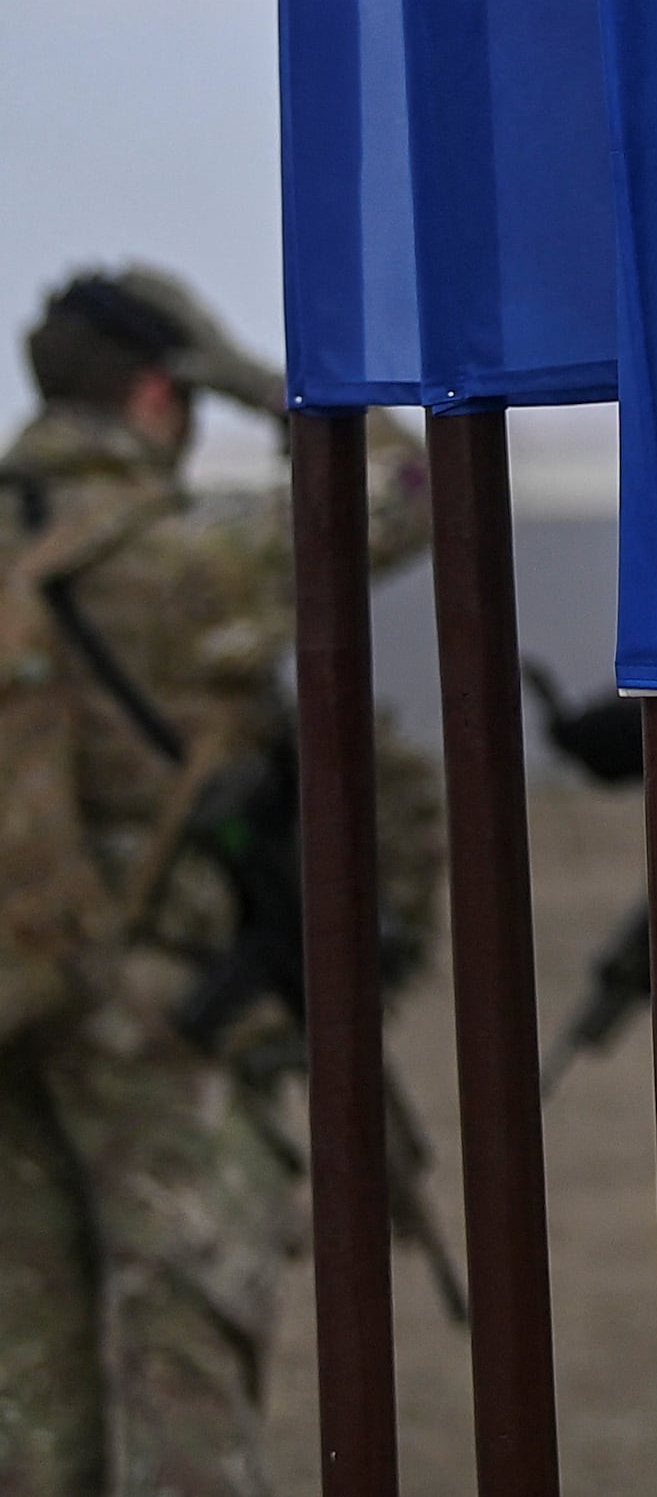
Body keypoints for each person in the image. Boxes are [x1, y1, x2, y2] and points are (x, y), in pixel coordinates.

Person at [0, 265, 430, 1497]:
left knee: (28, 1400)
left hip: (13, 1006)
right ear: (156, 395)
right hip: (150, 1017)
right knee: (182, 1360)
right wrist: (244, 371)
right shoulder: (184, 563)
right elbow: (402, 487)